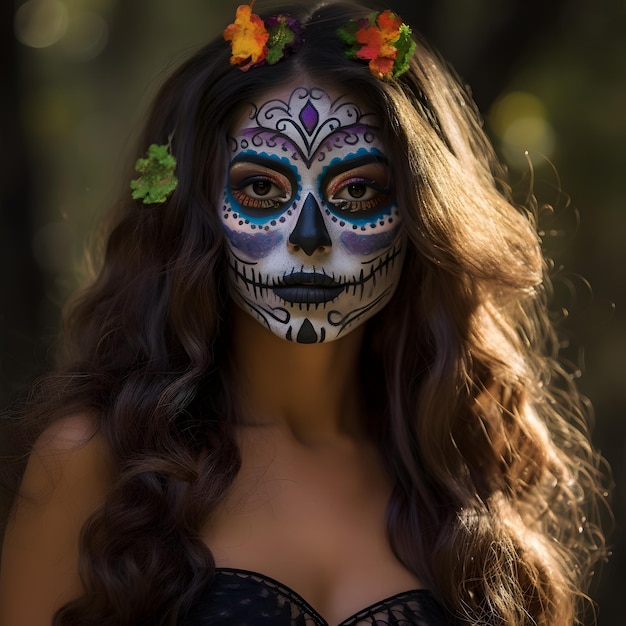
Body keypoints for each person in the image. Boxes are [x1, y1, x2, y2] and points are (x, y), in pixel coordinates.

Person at [0, 1, 609, 624]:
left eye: (358, 190)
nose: (311, 238)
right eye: (261, 188)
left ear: (424, 218)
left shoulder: (462, 471)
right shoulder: (100, 464)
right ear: (195, 212)